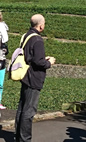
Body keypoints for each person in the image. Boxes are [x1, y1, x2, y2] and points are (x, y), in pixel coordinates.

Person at [15, 14, 56, 142]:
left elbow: (30, 57)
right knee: (29, 110)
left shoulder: (26, 36)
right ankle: (25, 139)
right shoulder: (37, 40)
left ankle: (18, 136)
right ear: (41, 26)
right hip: (34, 78)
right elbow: (38, 62)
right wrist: (49, 62)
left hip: (25, 75)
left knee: (22, 108)